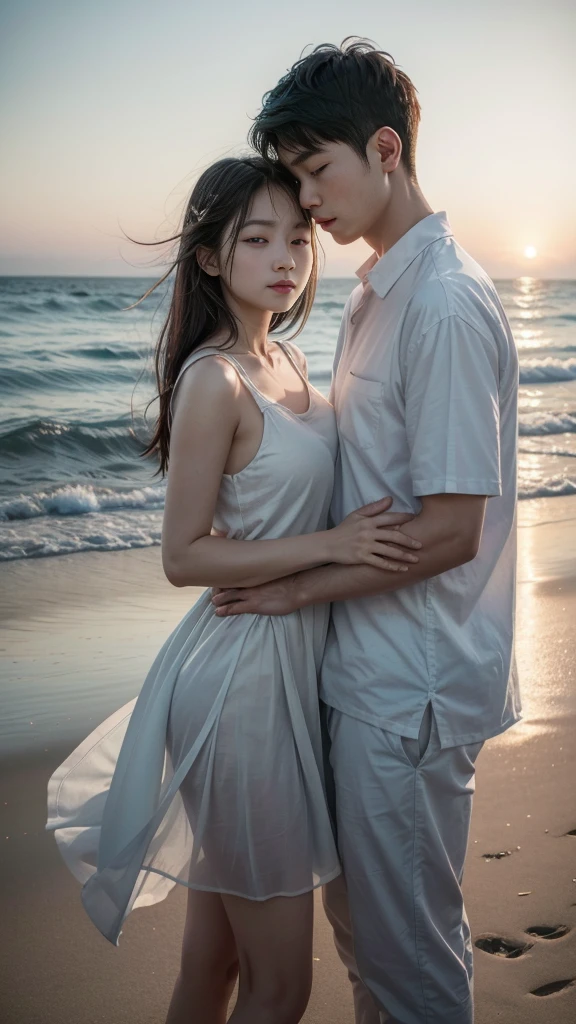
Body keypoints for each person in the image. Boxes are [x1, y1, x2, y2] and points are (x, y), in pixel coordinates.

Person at [45, 155, 421, 1024]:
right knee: (282, 988)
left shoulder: (284, 358)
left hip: (286, 666)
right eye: (257, 239)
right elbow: (184, 556)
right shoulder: (212, 381)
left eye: (297, 237)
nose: (286, 257)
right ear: (213, 259)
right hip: (240, 685)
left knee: (212, 966)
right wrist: (332, 544)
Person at [212, 40, 520, 1024]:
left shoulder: (440, 302)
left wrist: (293, 587)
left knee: (408, 962)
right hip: (364, 675)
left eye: (316, 170)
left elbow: (450, 530)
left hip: (412, 691)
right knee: (364, 941)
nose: (304, 203)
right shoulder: (377, 291)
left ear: (384, 148)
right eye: (294, 176)